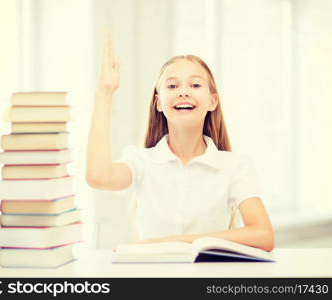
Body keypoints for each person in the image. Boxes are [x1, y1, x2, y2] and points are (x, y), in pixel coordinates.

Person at [86, 33, 275, 252]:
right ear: (159, 103)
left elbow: (263, 235)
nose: (183, 92)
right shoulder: (141, 161)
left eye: (195, 85)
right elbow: (98, 177)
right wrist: (105, 91)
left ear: (212, 101)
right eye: (172, 86)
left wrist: (174, 243)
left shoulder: (235, 166)